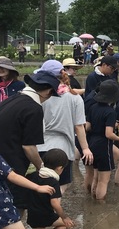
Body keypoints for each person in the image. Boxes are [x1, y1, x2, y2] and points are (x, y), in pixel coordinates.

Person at [0, 69, 60, 212]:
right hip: (12, 169)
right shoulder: (33, 109)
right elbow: (29, 147)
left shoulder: (11, 100)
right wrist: (42, 167)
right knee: (14, 213)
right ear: (48, 91)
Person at [38, 65, 92, 195]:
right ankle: (54, 210)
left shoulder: (40, 96)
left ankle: (45, 210)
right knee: (61, 184)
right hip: (64, 148)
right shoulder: (75, 98)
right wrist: (85, 148)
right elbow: (79, 126)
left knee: (42, 182)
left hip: (40, 146)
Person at [26, 148, 74, 229]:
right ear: (59, 168)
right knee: (65, 225)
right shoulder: (53, 182)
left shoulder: (33, 176)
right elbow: (55, 204)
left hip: (32, 216)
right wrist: (65, 217)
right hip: (46, 215)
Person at [86, 80, 119, 200]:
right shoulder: (110, 112)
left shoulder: (92, 107)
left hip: (92, 143)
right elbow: (108, 134)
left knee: (96, 175)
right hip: (103, 146)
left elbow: (87, 127)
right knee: (104, 181)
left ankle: (93, 199)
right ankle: (100, 206)